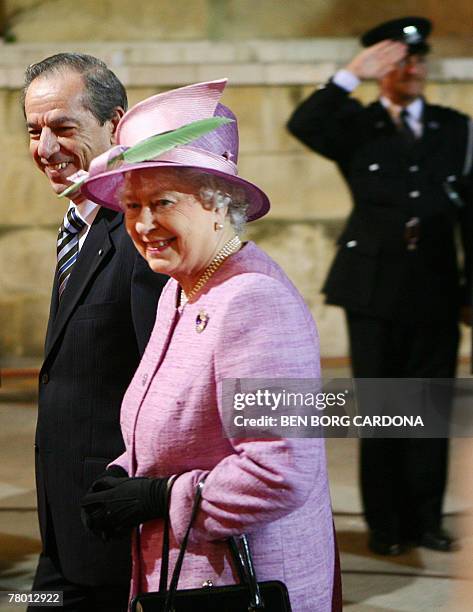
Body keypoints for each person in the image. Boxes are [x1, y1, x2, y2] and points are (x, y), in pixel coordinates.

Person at [79, 79, 341, 611]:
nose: (144, 224)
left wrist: (160, 497)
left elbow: (280, 470)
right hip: (186, 571)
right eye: (132, 205)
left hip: (241, 581)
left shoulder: (254, 302)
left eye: (163, 202)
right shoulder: (182, 285)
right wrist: (126, 472)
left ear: (220, 205)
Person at [287, 17, 473, 555]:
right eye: (400, 61)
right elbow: (304, 122)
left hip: (436, 284)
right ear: (380, 70)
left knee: (431, 408)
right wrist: (349, 74)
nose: (413, 69)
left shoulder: (454, 127)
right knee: (383, 408)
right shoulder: (354, 124)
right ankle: (387, 527)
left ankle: (426, 520)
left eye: (419, 60)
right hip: (371, 287)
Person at [23, 53, 167, 611]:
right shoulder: (78, 223)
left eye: (63, 128)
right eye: (34, 132)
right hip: (63, 518)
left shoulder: (141, 234)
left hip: (112, 524)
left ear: (116, 124)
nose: (45, 149)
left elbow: (162, 383)